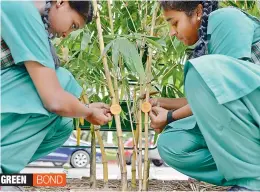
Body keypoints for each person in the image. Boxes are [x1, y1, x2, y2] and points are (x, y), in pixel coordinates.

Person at [148, 1, 260, 191]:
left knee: (198, 72)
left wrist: (169, 117)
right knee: (172, 145)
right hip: (246, 113)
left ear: (198, 12)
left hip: (250, 111)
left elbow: (228, 88)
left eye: (174, 23)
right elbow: (207, 98)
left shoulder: (226, 19)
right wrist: (160, 102)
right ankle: (243, 170)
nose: (172, 32)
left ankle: (252, 181)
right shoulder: (204, 46)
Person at [1, 0, 112, 177]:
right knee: (62, 80)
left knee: (63, 124)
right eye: (73, 25)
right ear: (61, 2)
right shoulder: (21, 8)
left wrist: (85, 109)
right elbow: (54, 99)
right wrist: (89, 113)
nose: (66, 34)